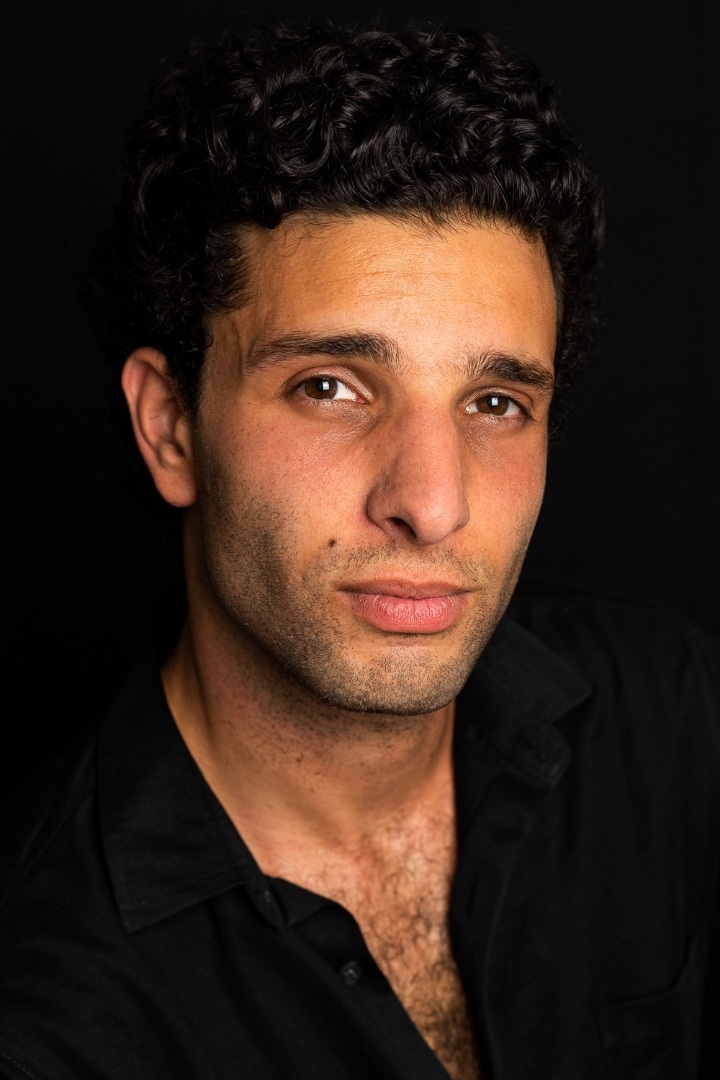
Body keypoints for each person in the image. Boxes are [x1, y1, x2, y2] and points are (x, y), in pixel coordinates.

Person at [0, 19, 717, 1080]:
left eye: (494, 401)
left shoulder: (672, 721)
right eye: (331, 387)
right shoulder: (44, 1012)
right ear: (171, 427)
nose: (432, 503)